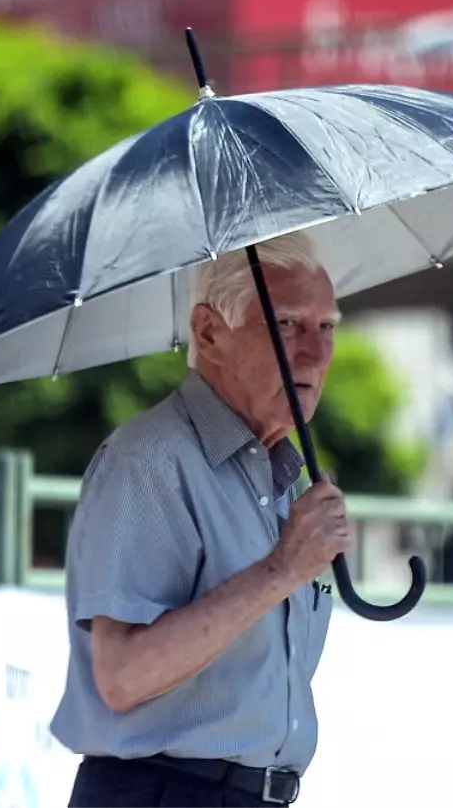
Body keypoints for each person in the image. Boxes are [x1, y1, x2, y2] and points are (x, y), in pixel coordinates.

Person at [49, 231, 351, 807]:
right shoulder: (149, 460)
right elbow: (122, 677)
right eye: (287, 324)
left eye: (327, 326)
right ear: (210, 332)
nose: (314, 353)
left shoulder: (284, 476)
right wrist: (283, 569)